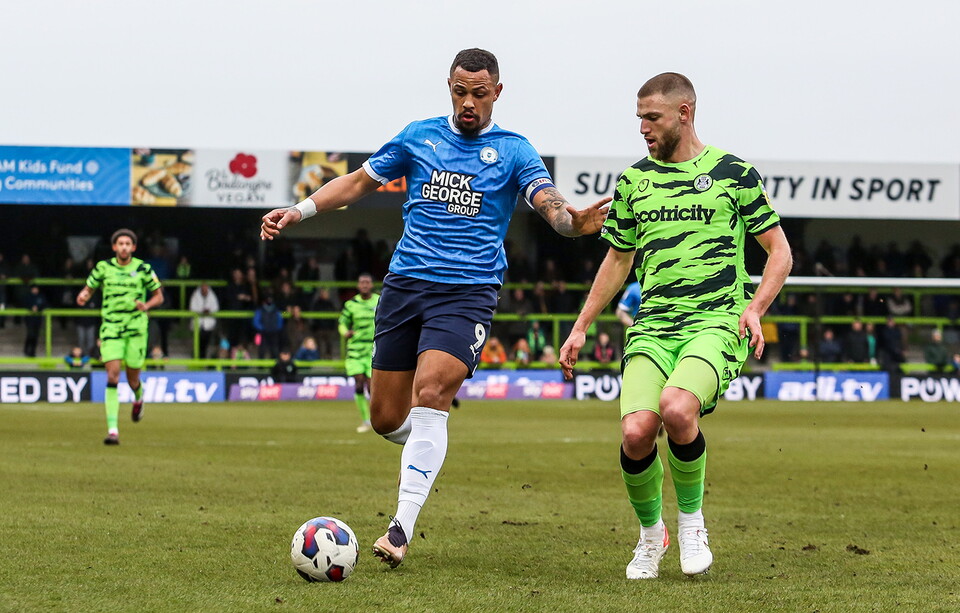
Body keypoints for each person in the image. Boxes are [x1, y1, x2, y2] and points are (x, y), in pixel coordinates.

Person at [260, 48, 609, 568]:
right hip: (404, 286)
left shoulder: (514, 150)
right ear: (449, 85)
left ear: (498, 91)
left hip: (467, 292)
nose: (469, 102)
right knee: (385, 418)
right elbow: (358, 183)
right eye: (460, 91)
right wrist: (299, 209)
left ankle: (401, 527)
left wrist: (571, 223)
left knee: (430, 393)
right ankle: (430, 438)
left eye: (480, 93)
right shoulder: (418, 136)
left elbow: (548, 200)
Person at [559, 73, 791, 580]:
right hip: (653, 327)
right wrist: (580, 327)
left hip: (715, 322)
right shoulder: (634, 181)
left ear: (685, 112)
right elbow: (618, 260)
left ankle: (691, 525)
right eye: (639, 117)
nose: (643, 128)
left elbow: (779, 251)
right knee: (637, 432)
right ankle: (650, 537)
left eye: (652, 118)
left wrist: (754, 309)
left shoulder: (732, 172)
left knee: (677, 409)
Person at [77, 229, 164, 445]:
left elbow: (159, 296)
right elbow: (89, 288)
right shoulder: (103, 267)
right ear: (114, 247)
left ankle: (138, 398)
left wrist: (147, 305)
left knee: (132, 377)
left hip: (136, 328)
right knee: (113, 375)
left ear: (133, 248)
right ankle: (113, 430)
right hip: (111, 328)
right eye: (120, 243)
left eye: (128, 243)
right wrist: (83, 295)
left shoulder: (143, 268)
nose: (124, 246)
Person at [338, 273, 380, 434]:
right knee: (358, 383)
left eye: (367, 282)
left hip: (373, 348)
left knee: (371, 386)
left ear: (371, 285)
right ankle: (365, 420)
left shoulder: (379, 301)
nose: (364, 285)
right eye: (361, 282)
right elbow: (342, 323)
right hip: (355, 350)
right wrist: (345, 333)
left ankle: (375, 419)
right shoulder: (351, 304)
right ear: (358, 285)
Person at [189, 282, 220, 358]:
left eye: (206, 288)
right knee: (197, 342)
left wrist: (208, 311)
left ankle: (203, 356)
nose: (204, 290)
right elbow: (192, 308)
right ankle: (196, 356)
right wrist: (201, 311)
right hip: (198, 323)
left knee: (206, 342)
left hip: (208, 323)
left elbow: (215, 308)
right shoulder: (195, 296)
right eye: (203, 288)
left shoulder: (212, 296)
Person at [22, 284, 47, 357]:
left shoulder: (41, 297)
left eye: (36, 289)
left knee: (35, 336)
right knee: (30, 335)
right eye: (34, 289)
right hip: (29, 319)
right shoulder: (27, 297)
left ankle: (32, 352)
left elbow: (45, 305)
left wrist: (38, 309)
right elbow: (23, 304)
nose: (35, 290)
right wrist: (31, 308)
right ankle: (26, 349)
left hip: (38, 320)